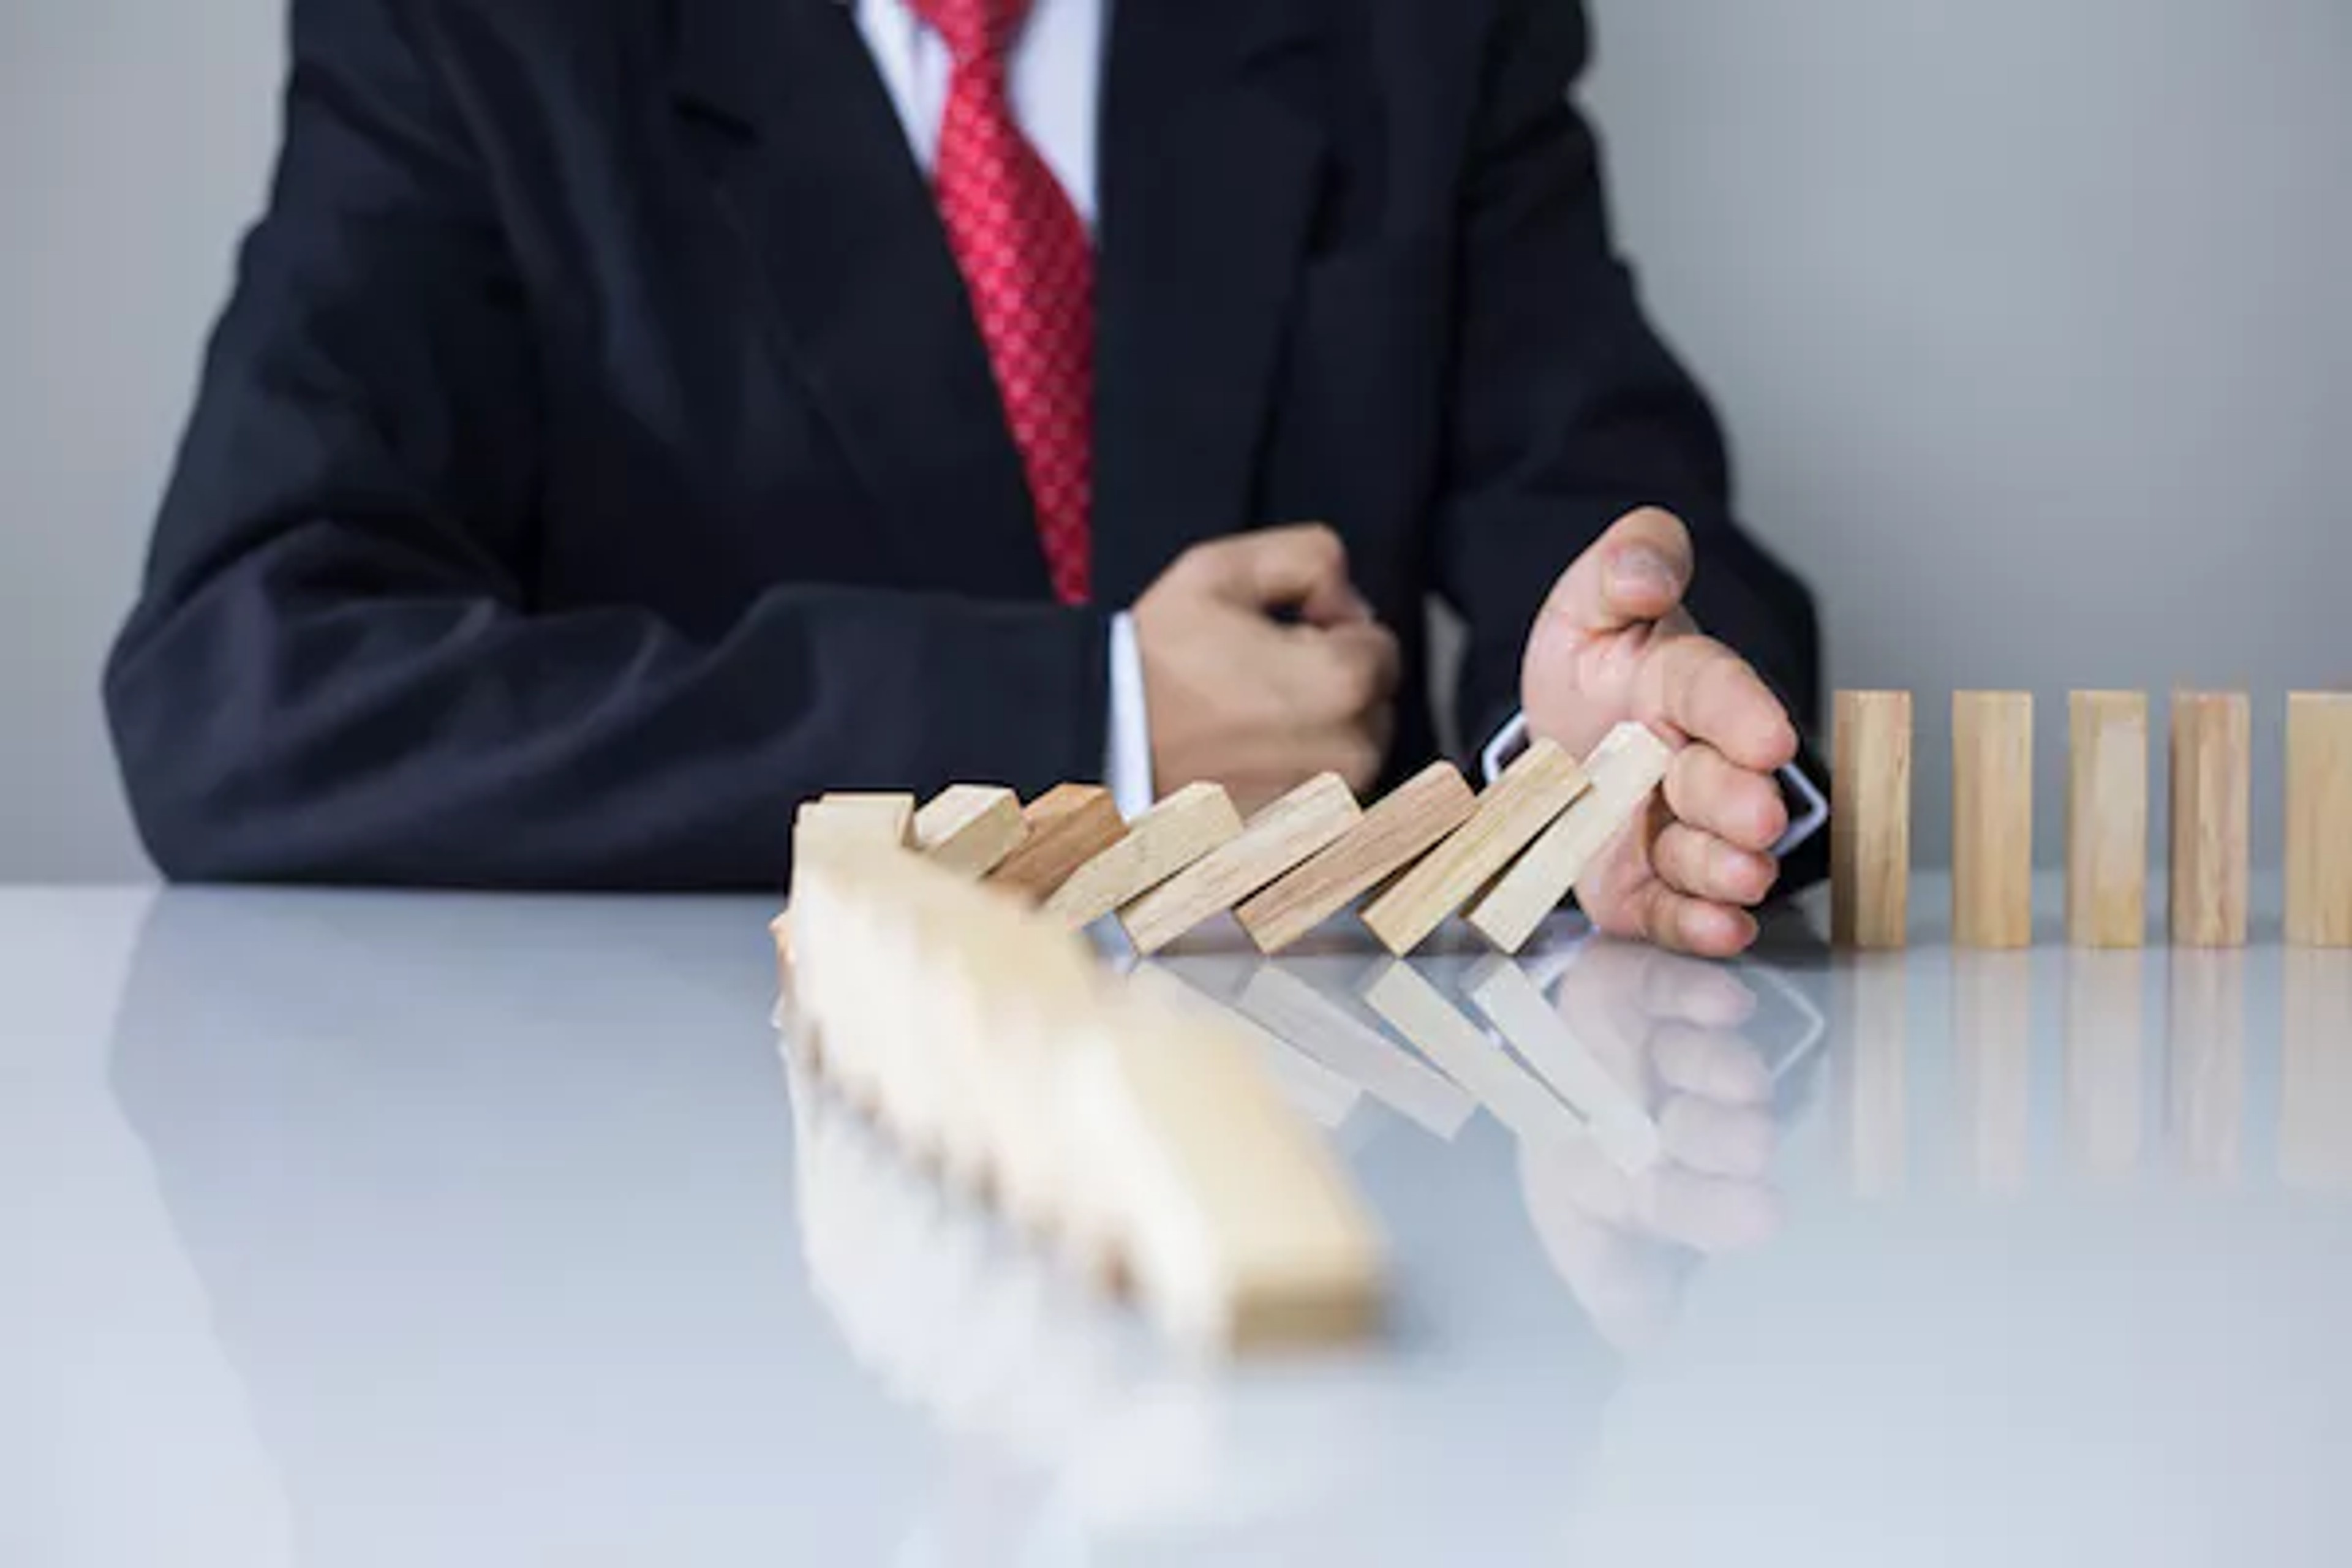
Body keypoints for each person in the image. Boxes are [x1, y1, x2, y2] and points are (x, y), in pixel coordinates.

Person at [105, 0, 1823, 957]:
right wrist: (1081, 724)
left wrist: (1613, 768)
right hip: (664, 1226)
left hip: (1328, 1172)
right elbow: (244, 691)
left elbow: (1628, 535)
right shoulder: (482, 36)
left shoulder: (1416, 32)